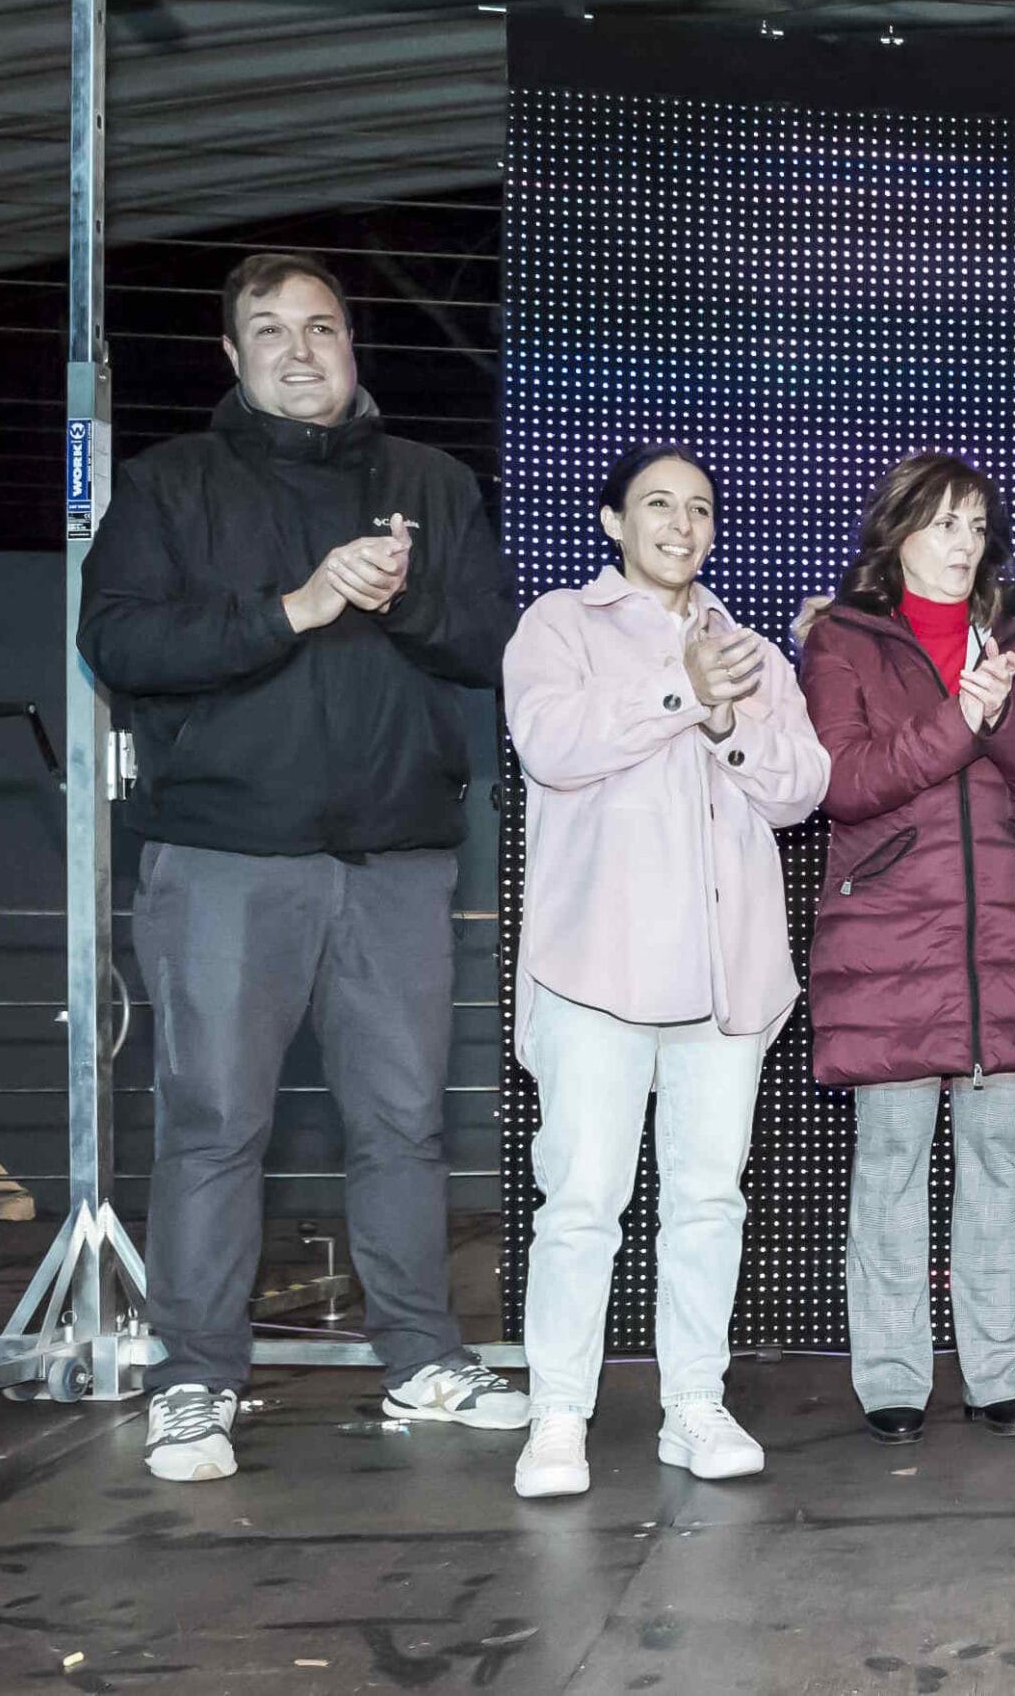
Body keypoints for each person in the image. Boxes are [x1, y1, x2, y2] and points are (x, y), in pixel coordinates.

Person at [78, 252, 527, 1483]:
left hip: (395, 860)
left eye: (320, 327)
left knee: (403, 1122)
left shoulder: (433, 482)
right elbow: (116, 637)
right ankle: (194, 1377)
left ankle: (423, 1357)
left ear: (350, 345)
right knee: (215, 1123)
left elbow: (494, 639)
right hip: (226, 858)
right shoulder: (170, 483)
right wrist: (294, 606)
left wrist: (398, 601)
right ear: (232, 357)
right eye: (269, 330)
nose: (298, 349)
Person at [501, 444, 830, 1498]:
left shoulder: (751, 653)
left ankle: (694, 1401)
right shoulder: (561, 625)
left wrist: (726, 715)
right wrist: (677, 690)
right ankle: (559, 1413)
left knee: (707, 1200)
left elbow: (802, 787)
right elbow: (550, 743)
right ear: (613, 520)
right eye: (657, 503)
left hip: (726, 979)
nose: (681, 524)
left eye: (698, 507)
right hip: (596, 969)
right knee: (581, 1200)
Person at [800, 454, 1015, 1447]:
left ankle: (998, 1373)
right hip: (891, 941)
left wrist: (999, 717)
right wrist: (958, 717)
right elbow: (844, 781)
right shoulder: (842, 636)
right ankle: (891, 1378)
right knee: (889, 1160)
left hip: (1007, 936)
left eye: (975, 524)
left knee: (998, 1159)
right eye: (942, 523)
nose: (964, 542)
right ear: (897, 533)